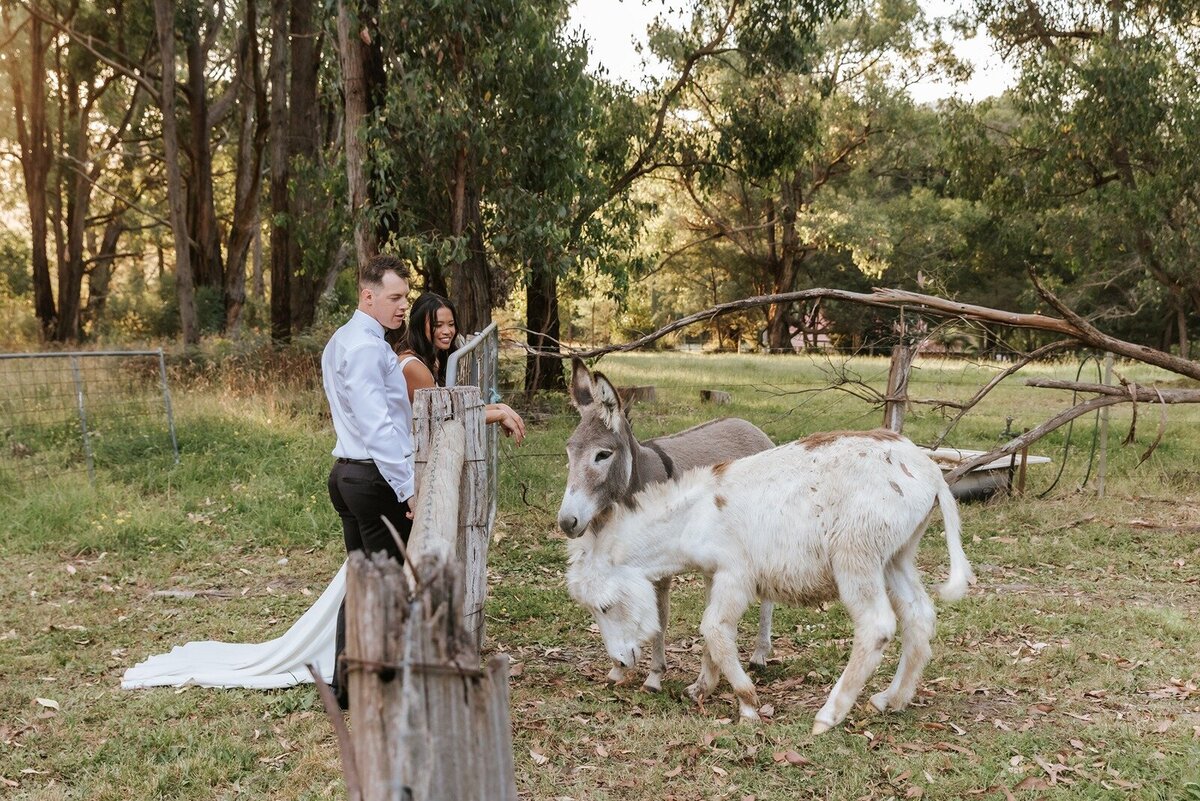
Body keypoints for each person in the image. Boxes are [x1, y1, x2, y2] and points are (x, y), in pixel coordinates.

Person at [321, 253, 417, 710]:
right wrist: (407, 487)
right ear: (368, 295)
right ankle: (371, 684)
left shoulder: (344, 340)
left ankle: (347, 685)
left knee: (363, 582)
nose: (403, 306)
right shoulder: (362, 347)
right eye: (395, 297)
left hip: (349, 474)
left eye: (405, 297)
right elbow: (378, 426)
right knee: (381, 583)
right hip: (371, 477)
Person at [394, 292, 526, 444]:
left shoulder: (433, 360)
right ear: (418, 326)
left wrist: (499, 406)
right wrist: (499, 415)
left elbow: (452, 411)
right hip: (411, 457)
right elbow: (446, 418)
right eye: (438, 325)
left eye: (451, 324)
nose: (447, 331)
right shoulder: (413, 366)